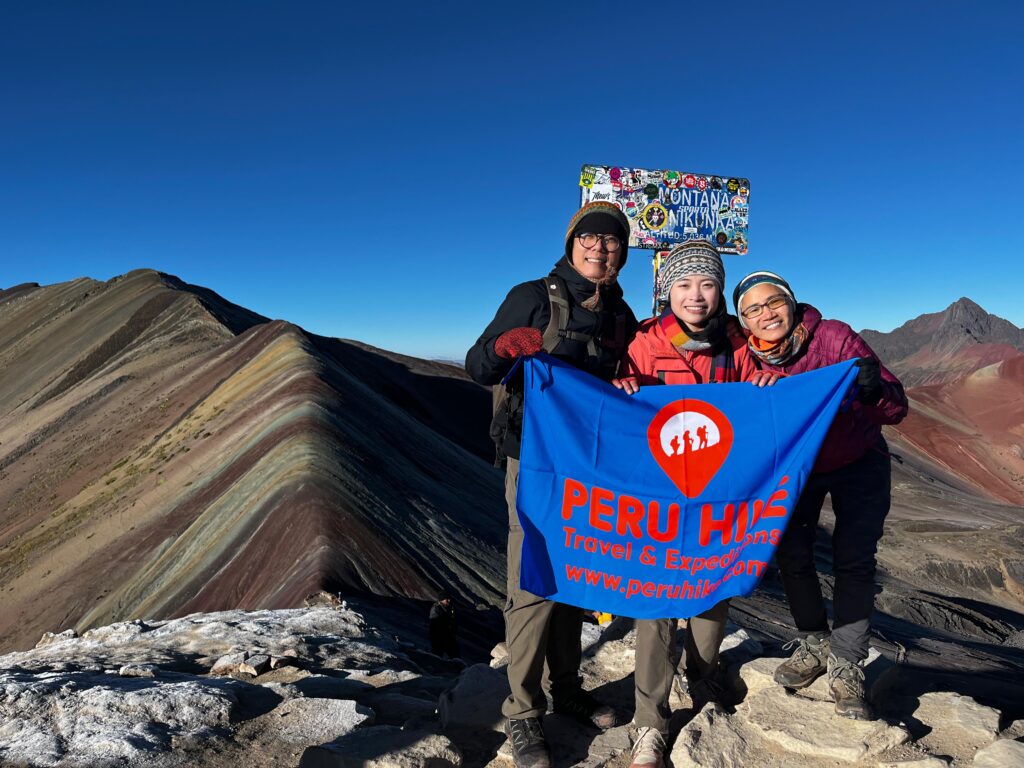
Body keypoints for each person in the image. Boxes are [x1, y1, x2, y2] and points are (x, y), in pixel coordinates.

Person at [465, 201, 639, 768]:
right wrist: (502, 348)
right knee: (533, 580)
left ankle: (567, 690)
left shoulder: (621, 313)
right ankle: (522, 712)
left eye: (613, 242)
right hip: (534, 459)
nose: (600, 248)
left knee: (576, 578)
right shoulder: (533, 295)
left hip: (591, 467)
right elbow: (477, 366)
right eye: (590, 237)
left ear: (623, 253)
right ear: (571, 243)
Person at [615, 240, 773, 768]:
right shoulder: (645, 342)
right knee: (656, 603)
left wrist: (767, 386)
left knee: (713, 590)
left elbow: (757, 400)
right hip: (659, 497)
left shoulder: (738, 341)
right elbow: (623, 412)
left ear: (720, 289)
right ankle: (650, 724)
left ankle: (704, 680)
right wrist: (622, 388)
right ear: (667, 291)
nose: (696, 295)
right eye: (683, 284)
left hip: (718, 494)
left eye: (707, 284)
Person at [732, 271, 908, 721]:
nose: (766, 313)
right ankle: (813, 641)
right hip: (796, 471)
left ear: (791, 303)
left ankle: (847, 665)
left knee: (854, 561)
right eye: (753, 309)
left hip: (859, 459)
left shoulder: (833, 337)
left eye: (773, 302)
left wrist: (873, 390)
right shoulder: (745, 361)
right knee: (791, 554)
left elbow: (896, 407)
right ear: (743, 321)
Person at [428, 594, 460, 659]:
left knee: (455, 655)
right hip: (439, 637)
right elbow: (435, 624)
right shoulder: (436, 609)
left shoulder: (448, 609)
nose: (449, 601)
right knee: (437, 655)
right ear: (441, 600)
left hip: (448, 636)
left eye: (449, 599)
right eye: (446, 599)